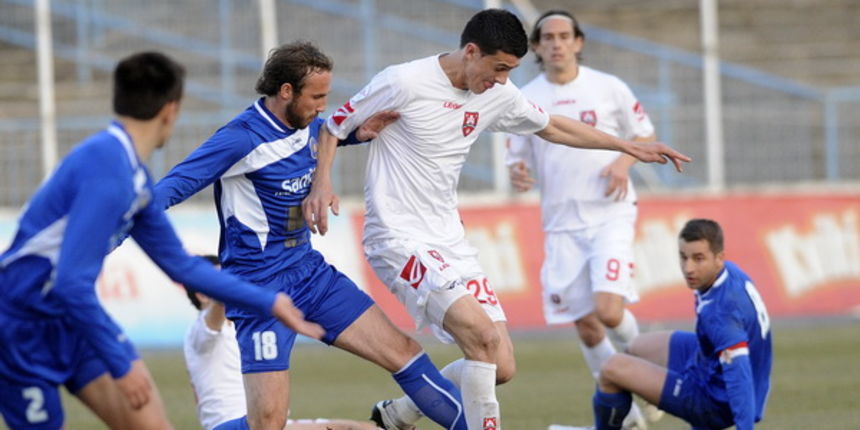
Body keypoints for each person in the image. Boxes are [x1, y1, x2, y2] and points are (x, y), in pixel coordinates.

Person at [303, 8, 691, 430]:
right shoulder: (403, 82)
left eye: (511, 71)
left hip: (451, 241)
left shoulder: (496, 93)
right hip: (398, 238)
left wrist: (629, 148)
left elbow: (553, 127)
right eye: (499, 68)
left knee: (500, 364)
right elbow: (334, 127)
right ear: (471, 52)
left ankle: (399, 412)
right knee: (483, 340)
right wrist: (322, 183)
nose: (503, 80)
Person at [154, 41, 467, 430]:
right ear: (286, 91)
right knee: (268, 422)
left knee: (404, 352)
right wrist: (116, 225)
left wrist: (356, 134)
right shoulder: (241, 139)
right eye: (316, 96)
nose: (323, 105)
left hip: (310, 275)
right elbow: (176, 183)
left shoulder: (305, 124)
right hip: (259, 292)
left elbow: (322, 131)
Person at [0, 52, 322, 430]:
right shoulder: (105, 169)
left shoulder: (133, 176)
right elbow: (72, 282)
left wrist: (267, 301)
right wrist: (122, 361)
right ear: (171, 110)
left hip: (70, 322)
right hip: (18, 325)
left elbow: (182, 266)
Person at [505, 10, 658, 429]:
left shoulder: (608, 88)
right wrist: (517, 171)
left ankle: (652, 379)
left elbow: (643, 135)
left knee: (609, 311)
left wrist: (623, 165)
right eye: (547, 37)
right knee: (587, 327)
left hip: (609, 212)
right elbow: (516, 154)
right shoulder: (525, 97)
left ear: (578, 42)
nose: (556, 43)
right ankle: (625, 415)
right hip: (560, 224)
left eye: (564, 36)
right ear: (535, 47)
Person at [585, 219, 773, 430]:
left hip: (714, 401)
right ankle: (638, 413)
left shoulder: (720, 314)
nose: (688, 268)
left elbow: (740, 375)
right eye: (683, 257)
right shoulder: (730, 273)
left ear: (719, 258)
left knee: (611, 369)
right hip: (710, 362)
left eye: (698, 259)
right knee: (634, 348)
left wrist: (744, 427)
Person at [182, 256, 380, 430]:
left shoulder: (243, 326)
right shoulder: (199, 332)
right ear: (202, 294)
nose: (232, 283)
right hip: (237, 424)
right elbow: (218, 307)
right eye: (221, 280)